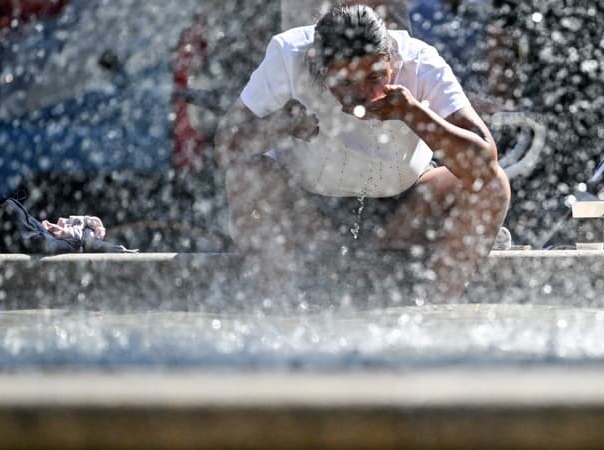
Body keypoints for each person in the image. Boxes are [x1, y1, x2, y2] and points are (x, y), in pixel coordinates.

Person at [215, 4, 510, 302]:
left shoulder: (420, 61)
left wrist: (414, 114)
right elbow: (224, 147)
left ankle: (433, 309)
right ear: (320, 69)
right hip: (309, 217)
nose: (364, 95)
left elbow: (486, 163)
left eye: (375, 77)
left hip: (403, 215)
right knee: (244, 175)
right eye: (345, 82)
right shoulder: (288, 55)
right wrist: (279, 126)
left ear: (391, 61)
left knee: (493, 184)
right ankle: (280, 310)